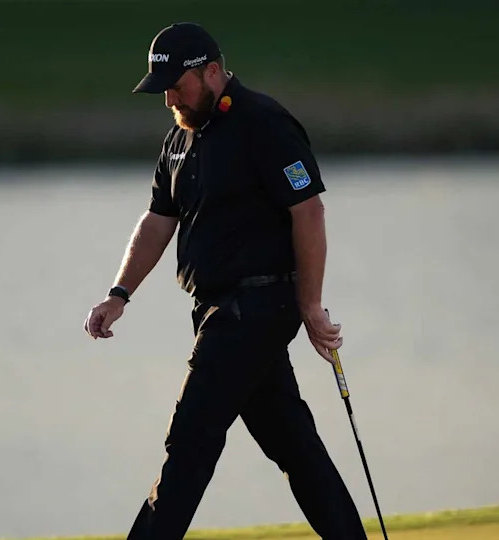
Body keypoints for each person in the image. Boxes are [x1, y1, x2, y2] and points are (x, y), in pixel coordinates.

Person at [82, 21, 368, 540]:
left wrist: (311, 306)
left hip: (255, 310)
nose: (170, 97)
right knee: (295, 447)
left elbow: (309, 212)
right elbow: (157, 220)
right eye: (163, 89)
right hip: (217, 311)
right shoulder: (179, 137)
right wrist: (119, 293)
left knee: (189, 445)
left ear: (211, 71)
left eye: (178, 86)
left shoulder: (263, 123)